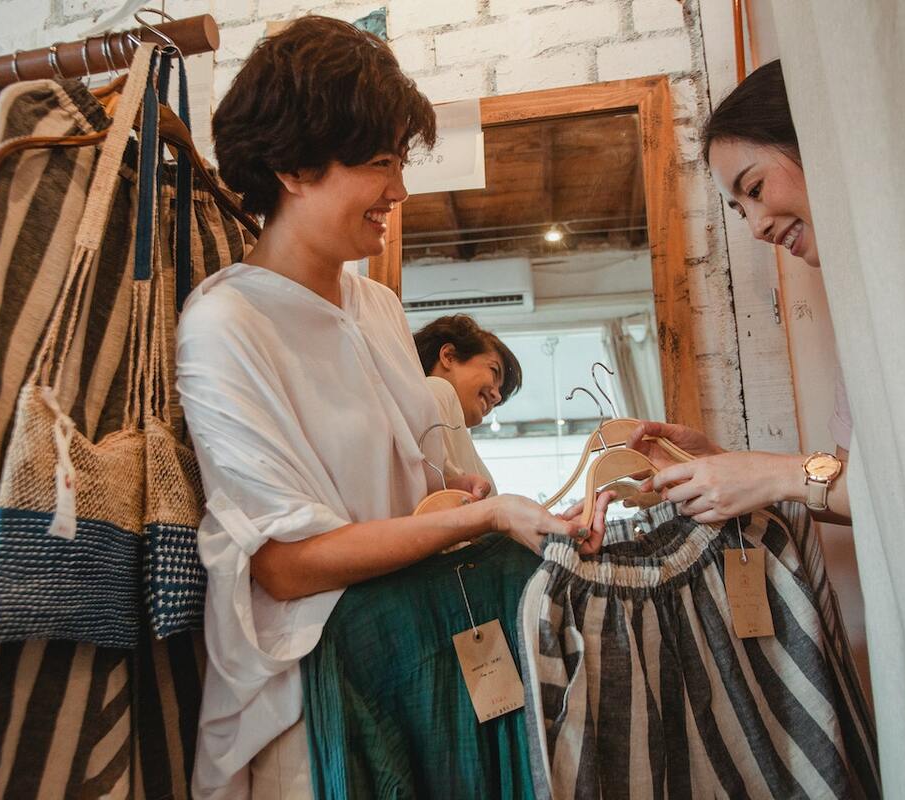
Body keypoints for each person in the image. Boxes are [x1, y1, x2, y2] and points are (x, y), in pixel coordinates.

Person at [175, 17, 612, 798]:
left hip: (420, 662)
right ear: (292, 166)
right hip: (311, 705)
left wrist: (452, 485)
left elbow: (397, 480)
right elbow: (283, 565)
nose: (399, 191)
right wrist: (478, 520)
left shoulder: (374, 305)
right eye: (380, 163)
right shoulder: (225, 326)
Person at [630, 59, 852, 526]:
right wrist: (722, 462)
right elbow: (855, 485)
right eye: (739, 210)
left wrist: (769, 475)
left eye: (754, 188)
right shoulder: (864, 312)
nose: (757, 227)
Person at [413, 314, 522, 493]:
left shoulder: (458, 438)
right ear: (449, 356)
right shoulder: (436, 389)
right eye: (494, 371)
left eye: (500, 391)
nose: (497, 397)